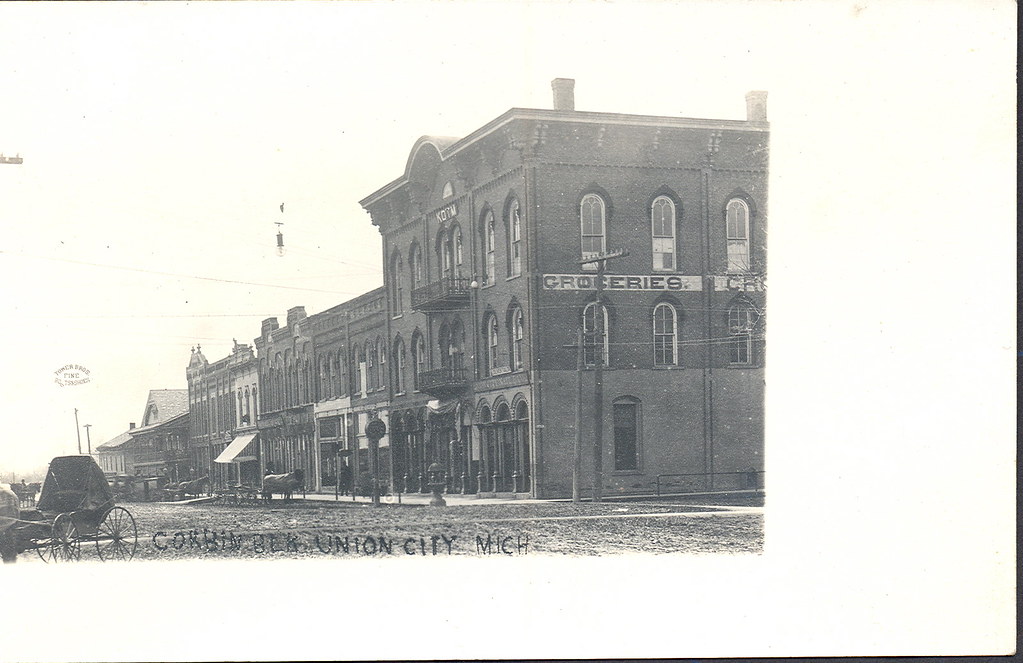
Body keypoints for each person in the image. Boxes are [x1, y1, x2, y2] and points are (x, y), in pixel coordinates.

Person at [0, 482, 20, 564]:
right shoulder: (10, 493)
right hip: (10, 525)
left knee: (9, 556)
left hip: (7, 526)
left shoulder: (6, 494)